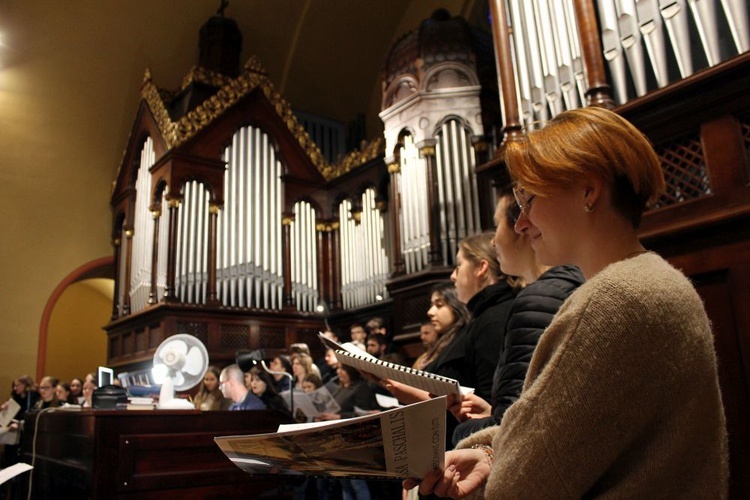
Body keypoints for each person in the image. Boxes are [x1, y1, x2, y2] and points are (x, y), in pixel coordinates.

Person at [408, 107, 728, 497]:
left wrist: (493, 465)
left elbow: (524, 488)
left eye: (529, 199)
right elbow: (577, 439)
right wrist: (491, 453)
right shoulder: (652, 279)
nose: (522, 223)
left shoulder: (615, 300)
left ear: (588, 191)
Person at [450, 187, 584, 444]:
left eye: (496, 225)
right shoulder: (571, 280)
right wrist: (493, 413)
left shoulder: (537, 298)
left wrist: (459, 434)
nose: (492, 241)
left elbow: (515, 432)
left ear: (522, 229)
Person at [415, 283, 470, 371]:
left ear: (456, 307)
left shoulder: (465, 338)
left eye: (439, 305)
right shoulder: (441, 342)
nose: (430, 312)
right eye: (431, 305)